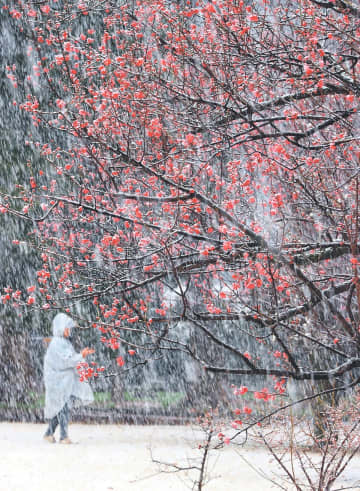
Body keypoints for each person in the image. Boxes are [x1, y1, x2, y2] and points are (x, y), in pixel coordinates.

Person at [43, 312, 94, 444]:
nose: (69, 331)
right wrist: (81, 355)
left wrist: (81, 358)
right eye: (67, 328)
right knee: (62, 408)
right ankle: (63, 437)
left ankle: (49, 434)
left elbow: (70, 360)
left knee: (61, 407)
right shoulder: (57, 343)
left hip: (62, 382)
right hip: (57, 382)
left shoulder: (63, 343)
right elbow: (66, 362)